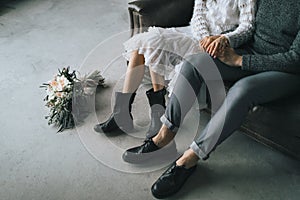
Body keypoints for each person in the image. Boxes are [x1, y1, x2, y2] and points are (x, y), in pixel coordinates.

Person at [121, 0, 300, 198]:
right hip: (253, 50)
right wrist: (224, 40)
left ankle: (190, 158)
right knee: (194, 63)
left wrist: (241, 61)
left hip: (286, 70)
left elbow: (295, 59)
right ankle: (164, 136)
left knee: (242, 90)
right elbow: (248, 26)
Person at [94, 0, 256, 139]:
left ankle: (158, 114)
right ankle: (121, 114)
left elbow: (247, 27)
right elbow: (198, 16)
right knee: (145, 42)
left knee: (154, 48)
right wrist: (204, 37)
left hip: (218, 45)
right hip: (197, 35)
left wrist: (224, 39)